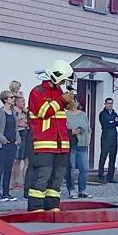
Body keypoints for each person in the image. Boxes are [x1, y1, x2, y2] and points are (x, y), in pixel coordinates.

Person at [26, 60, 74, 211]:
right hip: (44, 143)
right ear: (55, 76)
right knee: (42, 176)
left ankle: (52, 206)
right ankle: (35, 207)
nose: (63, 83)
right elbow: (43, 112)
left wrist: (70, 103)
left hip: (61, 144)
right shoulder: (37, 92)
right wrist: (61, 101)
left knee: (57, 178)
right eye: (62, 80)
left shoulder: (59, 92)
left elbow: (59, 113)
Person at [0, 90, 20, 201]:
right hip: (2, 145)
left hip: (12, 144)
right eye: (11, 97)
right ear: (5, 100)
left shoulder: (14, 113)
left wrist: (17, 139)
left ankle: (6, 192)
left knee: (8, 169)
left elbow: (15, 129)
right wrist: (2, 139)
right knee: (0, 169)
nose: (13, 99)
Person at [65, 98, 91, 198]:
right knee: (70, 168)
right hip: (72, 145)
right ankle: (71, 190)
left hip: (83, 145)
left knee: (84, 168)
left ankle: (82, 190)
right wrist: (72, 132)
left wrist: (88, 141)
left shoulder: (83, 114)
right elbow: (63, 129)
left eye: (75, 100)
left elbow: (88, 129)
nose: (73, 103)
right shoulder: (65, 114)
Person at [98, 97, 118, 183]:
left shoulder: (114, 113)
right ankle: (100, 176)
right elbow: (106, 125)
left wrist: (113, 122)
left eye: (111, 103)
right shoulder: (102, 114)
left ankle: (110, 177)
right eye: (108, 103)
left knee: (113, 158)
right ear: (105, 104)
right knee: (103, 157)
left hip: (114, 138)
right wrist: (114, 122)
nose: (110, 105)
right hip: (106, 138)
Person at [12, 93, 29, 190]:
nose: (24, 103)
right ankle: (14, 182)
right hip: (19, 135)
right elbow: (17, 123)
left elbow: (30, 122)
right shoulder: (14, 111)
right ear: (17, 102)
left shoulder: (26, 111)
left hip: (27, 135)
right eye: (22, 101)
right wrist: (24, 124)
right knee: (16, 160)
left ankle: (26, 182)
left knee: (27, 160)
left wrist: (25, 123)